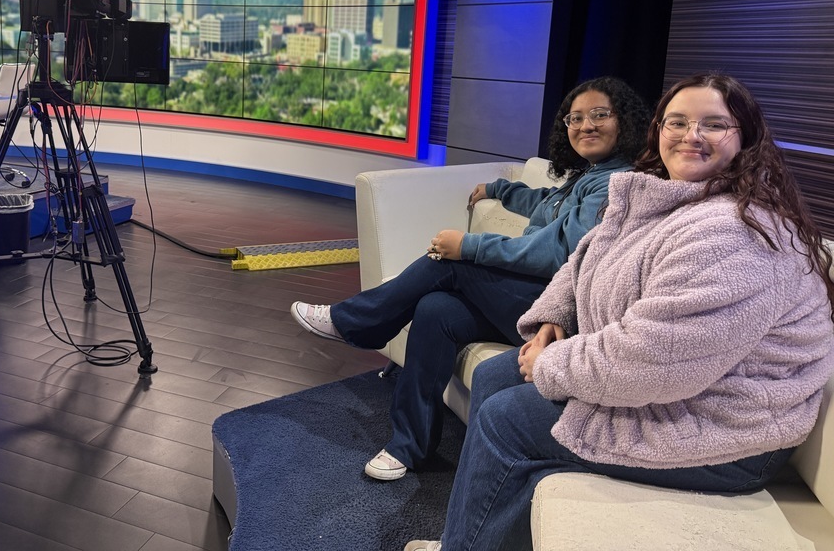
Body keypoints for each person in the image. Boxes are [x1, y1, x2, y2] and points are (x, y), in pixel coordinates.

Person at [405, 73, 834, 551]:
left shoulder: (733, 234)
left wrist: (550, 363)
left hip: (731, 430)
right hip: (681, 389)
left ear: (746, 139)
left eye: (713, 125)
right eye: (678, 122)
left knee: (507, 418)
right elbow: (585, 258)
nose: (691, 135)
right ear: (657, 129)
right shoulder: (659, 197)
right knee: (495, 377)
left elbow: (655, 359)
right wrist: (555, 318)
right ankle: (467, 538)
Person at [291, 76, 651, 481]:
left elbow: (560, 253)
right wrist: (498, 189)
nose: (586, 126)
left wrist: (470, 246)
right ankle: (409, 445)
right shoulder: (590, 175)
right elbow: (545, 202)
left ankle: (356, 322)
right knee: (435, 308)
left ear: (626, 122)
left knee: (451, 262)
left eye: (599, 115)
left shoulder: (617, 183)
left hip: (559, 315)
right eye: (575, 118)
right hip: (534, 299)